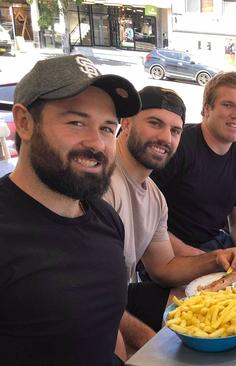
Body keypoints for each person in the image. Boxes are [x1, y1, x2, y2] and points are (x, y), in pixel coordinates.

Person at [0, 55, 141, 365]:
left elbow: (106, 324)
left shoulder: (106, 219)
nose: (97, 143)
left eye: (107, 128)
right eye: (76, 122)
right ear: (24, 122)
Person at [103, 86, 236, 355]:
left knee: (205, 302)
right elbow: (92, 301)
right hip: (90, 309)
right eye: (154, 123)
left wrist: (215, 258)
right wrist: (153, 347)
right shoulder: (101, 183)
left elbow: (164, 267)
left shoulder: (155, 198)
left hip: (116, 297)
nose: (165, 138)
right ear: (126, 122)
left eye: (175, 131)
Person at [151, 72, 236, 255]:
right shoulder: (178, 146)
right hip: (170, 251)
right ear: (206, 109)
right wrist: (205, 261)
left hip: (216, 243)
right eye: (228, 105)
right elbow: (146, 223)